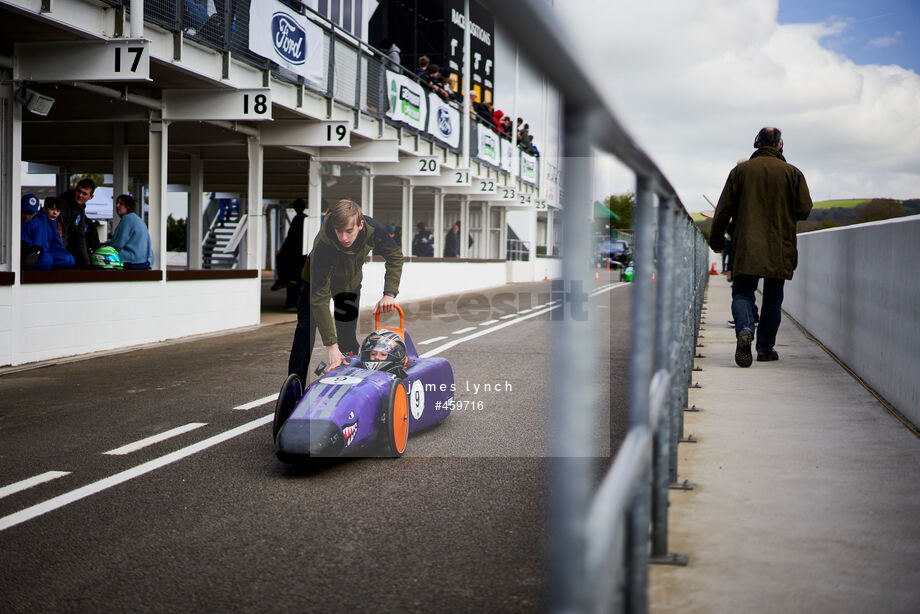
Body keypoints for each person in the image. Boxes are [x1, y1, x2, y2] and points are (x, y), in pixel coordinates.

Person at [709, 127, 813, 367]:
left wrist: (716, 241)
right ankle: (765, 349)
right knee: (773, 298)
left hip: (746, 246)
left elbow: (723, 210)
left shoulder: (740, 172)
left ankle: (745, 328)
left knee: (743, 293)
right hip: (779, 247)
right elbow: (804, 210)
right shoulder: (793, 173)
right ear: (780, 145)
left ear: (757, 144)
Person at [287, 199, 404, 383]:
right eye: (338, 231)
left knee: (348, 338)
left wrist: (389, 293)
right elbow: (319, 299)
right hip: (314, 284)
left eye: (349, 231)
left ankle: (347, 383)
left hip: (348, 285)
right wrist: (330, 346)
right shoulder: (323, 246)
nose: (343, 238)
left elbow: (395, 256)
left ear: (360, 225)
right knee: (305, 332)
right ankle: (295, 387)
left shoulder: (373, 230)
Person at [20, 194, 75, 270]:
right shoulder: (36, 221)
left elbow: (57, 244)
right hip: (34, 253)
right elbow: (37, 244)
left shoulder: (52, 223)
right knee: (46, 260)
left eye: (58, 210)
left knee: (68, 259)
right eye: (52, 209)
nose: (55, 213)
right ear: (44, 209)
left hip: (45, 252)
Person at [275, 198, 308, 309]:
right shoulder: (306, 219)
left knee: (292, 280)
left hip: (294, 256)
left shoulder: (296, 219)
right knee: (301, 281)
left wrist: (283, 250)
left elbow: (290, 238)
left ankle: (291, 302)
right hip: (303, 255)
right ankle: (299, 303)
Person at [59, 178, 101, 267]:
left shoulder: (80, 207)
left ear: (91, 197)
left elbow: (80, 235)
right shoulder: (63, 204)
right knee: (68, 260)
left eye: (84, 194)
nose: (80, 195)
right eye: (79, 191)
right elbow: (62, 233)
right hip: (58, 244)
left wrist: (87, 263)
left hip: (68, 244)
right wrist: (64, 253)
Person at [109, 193, 155, 270]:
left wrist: (104, 248)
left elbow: (118, 244)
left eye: (121, 204)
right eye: (117, 203)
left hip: (131, 262)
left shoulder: (127, 219)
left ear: (128, 206)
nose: (117, 206)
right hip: (144, 262)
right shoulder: (138, 220)